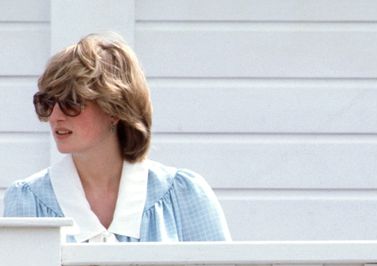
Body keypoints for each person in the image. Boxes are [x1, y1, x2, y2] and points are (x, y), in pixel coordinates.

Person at [3, 33, 231, 243]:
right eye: (47, 103)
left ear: (114, 109)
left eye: (71, 102)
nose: (55, 116)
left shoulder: (184, 196)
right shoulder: (27, 201)